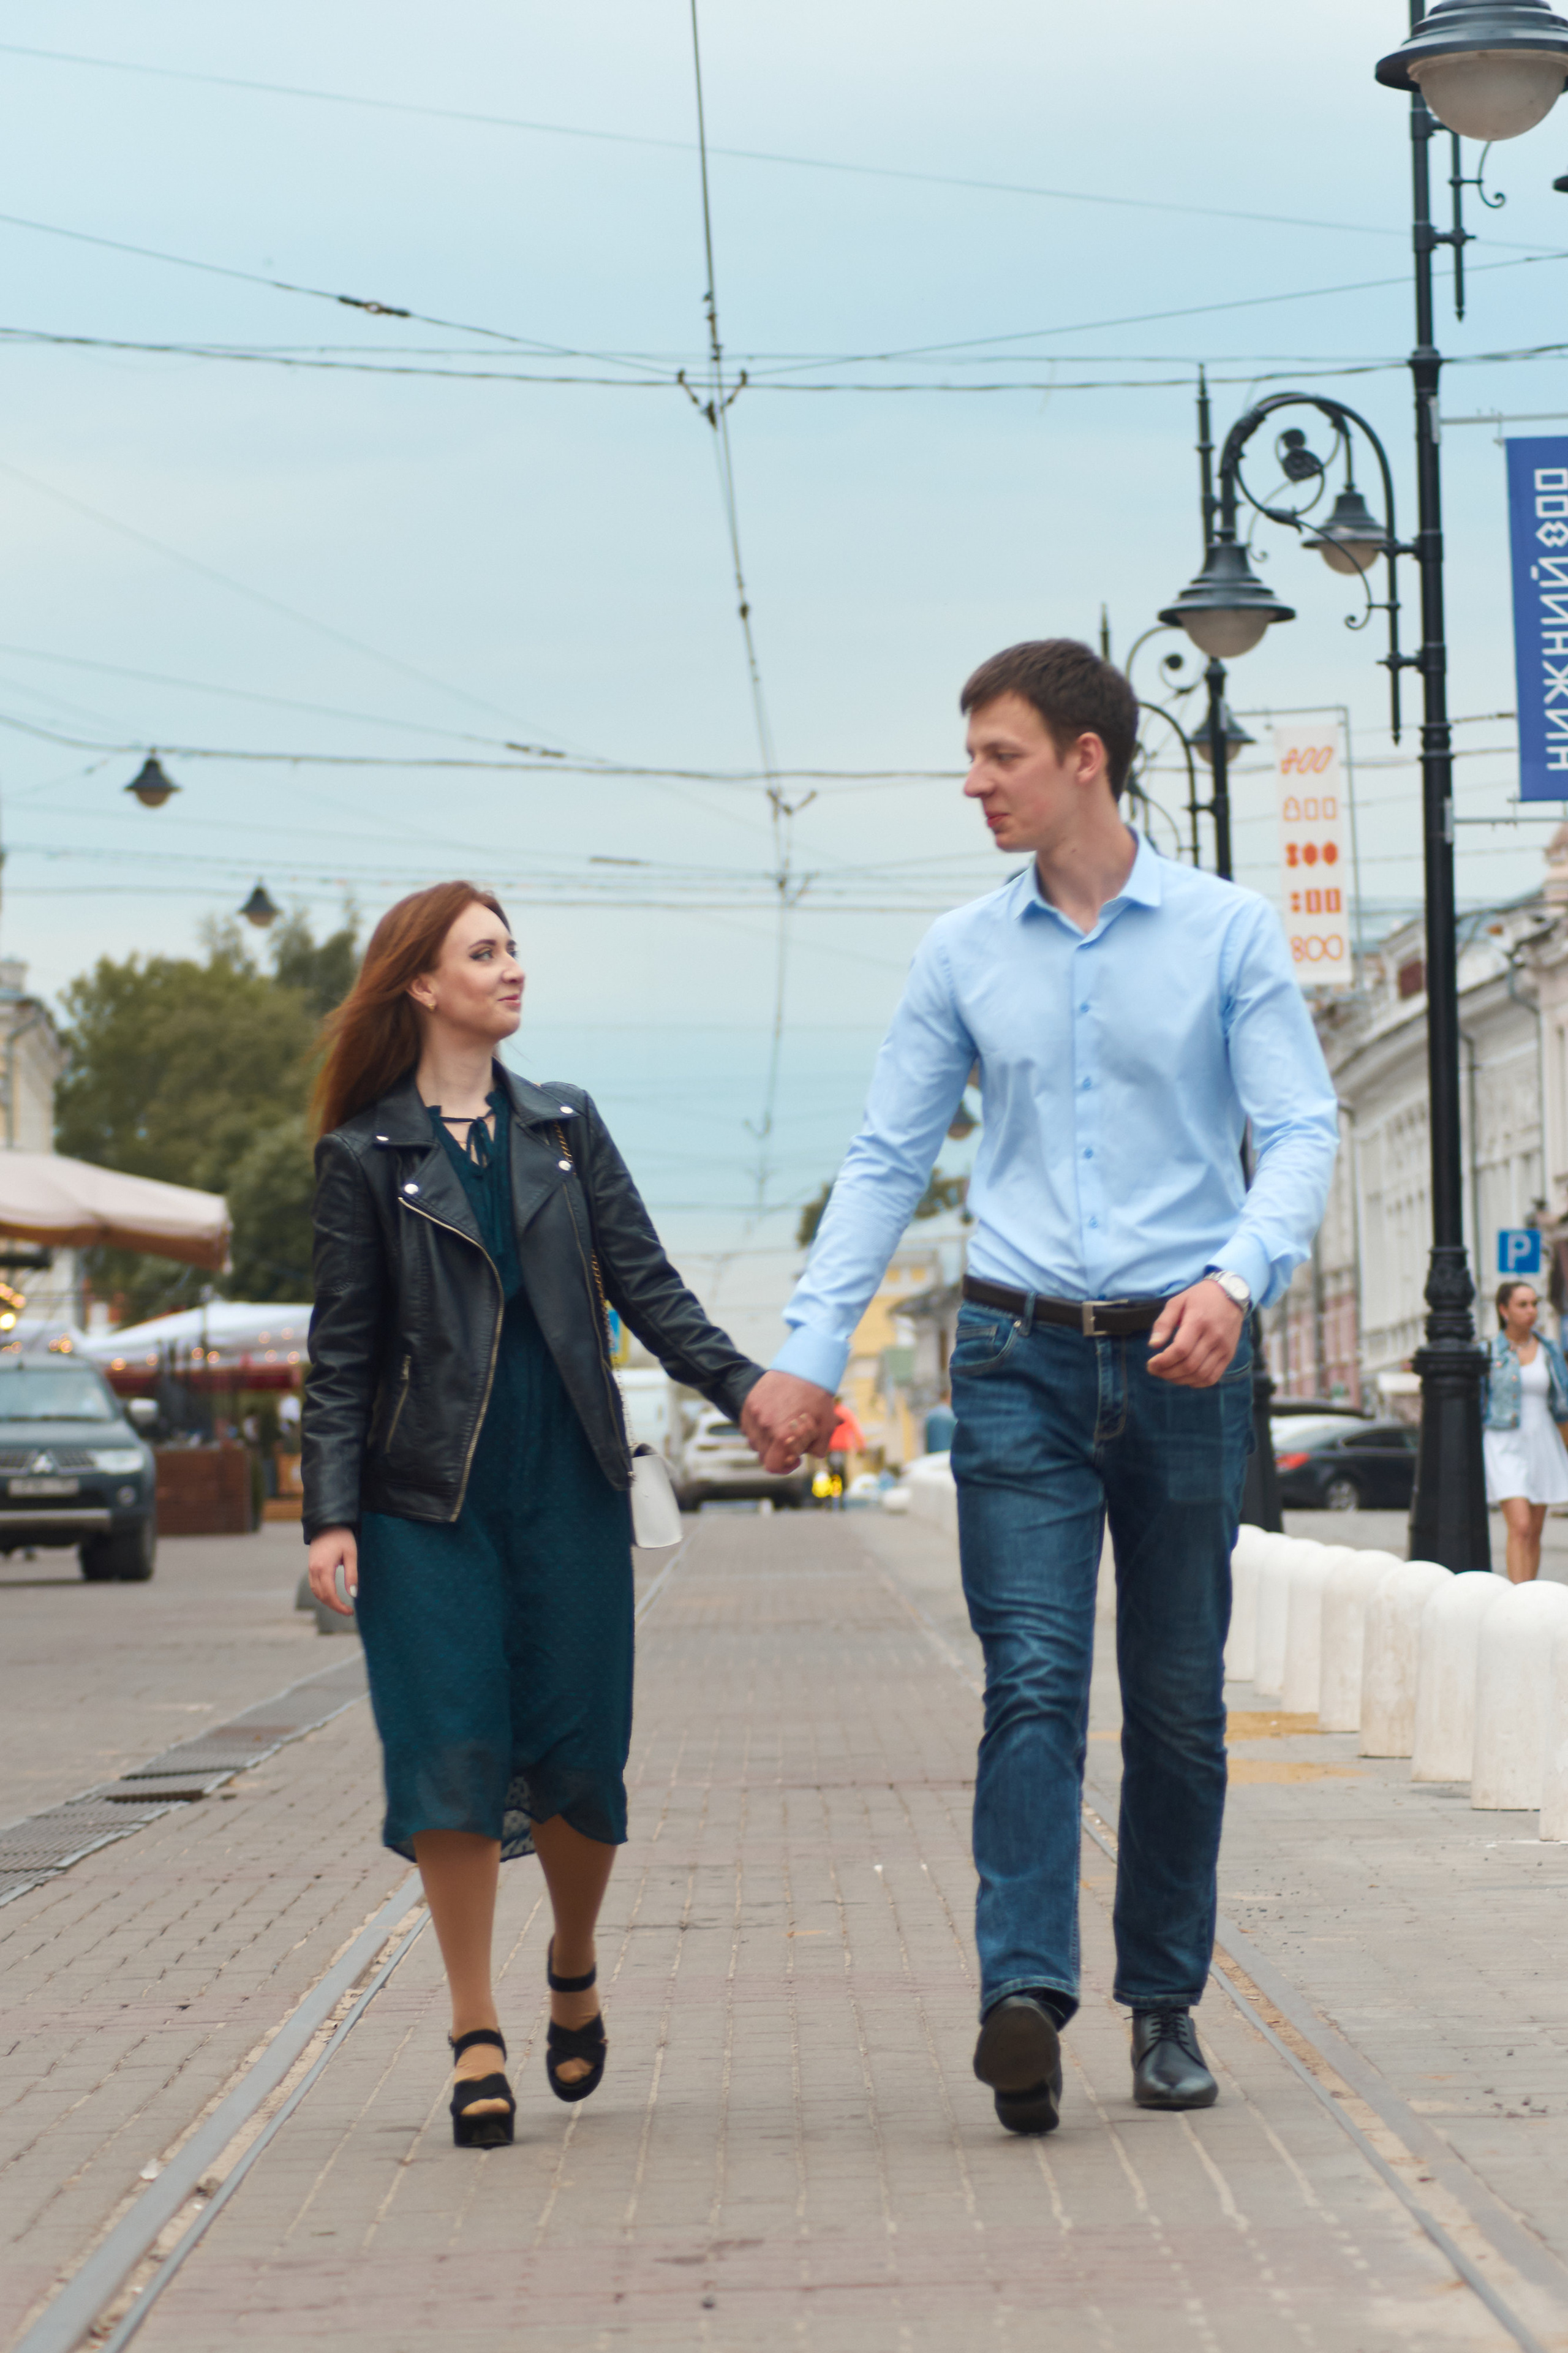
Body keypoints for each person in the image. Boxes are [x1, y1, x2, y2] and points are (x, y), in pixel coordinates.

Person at [743, 640, 1337, 2134]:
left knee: (1180, 1702)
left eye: (996, 754)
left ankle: (1162, 2003)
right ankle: (1021, 1993)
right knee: (1028, 1681)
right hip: (1013, 1355)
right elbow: (884, 1159)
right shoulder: (961, 951)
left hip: (1182, 1352)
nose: (972, 783)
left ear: (1084, 755)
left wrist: (1238, 1275)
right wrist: (808, 1360)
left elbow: (1300, 1127)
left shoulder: (1224, 931)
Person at [303, 882, 764, 2148]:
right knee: (447, 1755)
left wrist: (743, 1385)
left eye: (512, 948)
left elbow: (651, 1288)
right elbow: (339, 1353)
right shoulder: (366, 1157)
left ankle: (571, 1958)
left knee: (579, 1759)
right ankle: (472, 2029)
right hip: (422, 1502)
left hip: (566, 1483)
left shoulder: (565, 1129)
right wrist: (327, 1514)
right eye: (484, 951)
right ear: (422, 984)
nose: (512, 969)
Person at [1482, 1278, 1568, 1582]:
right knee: (1519, 1526)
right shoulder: (1489, 1352)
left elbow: (1562, 1405)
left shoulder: (1550, 1350)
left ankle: (1530, 1596)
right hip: (1503, 1440)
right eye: (1523, 1305)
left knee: (1534, 1531)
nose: (1531, 1311)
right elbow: (1480, 1403)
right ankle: (1515, 1599)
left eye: (1535, 1304)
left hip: (1542, 1440)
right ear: (1504, 1310)